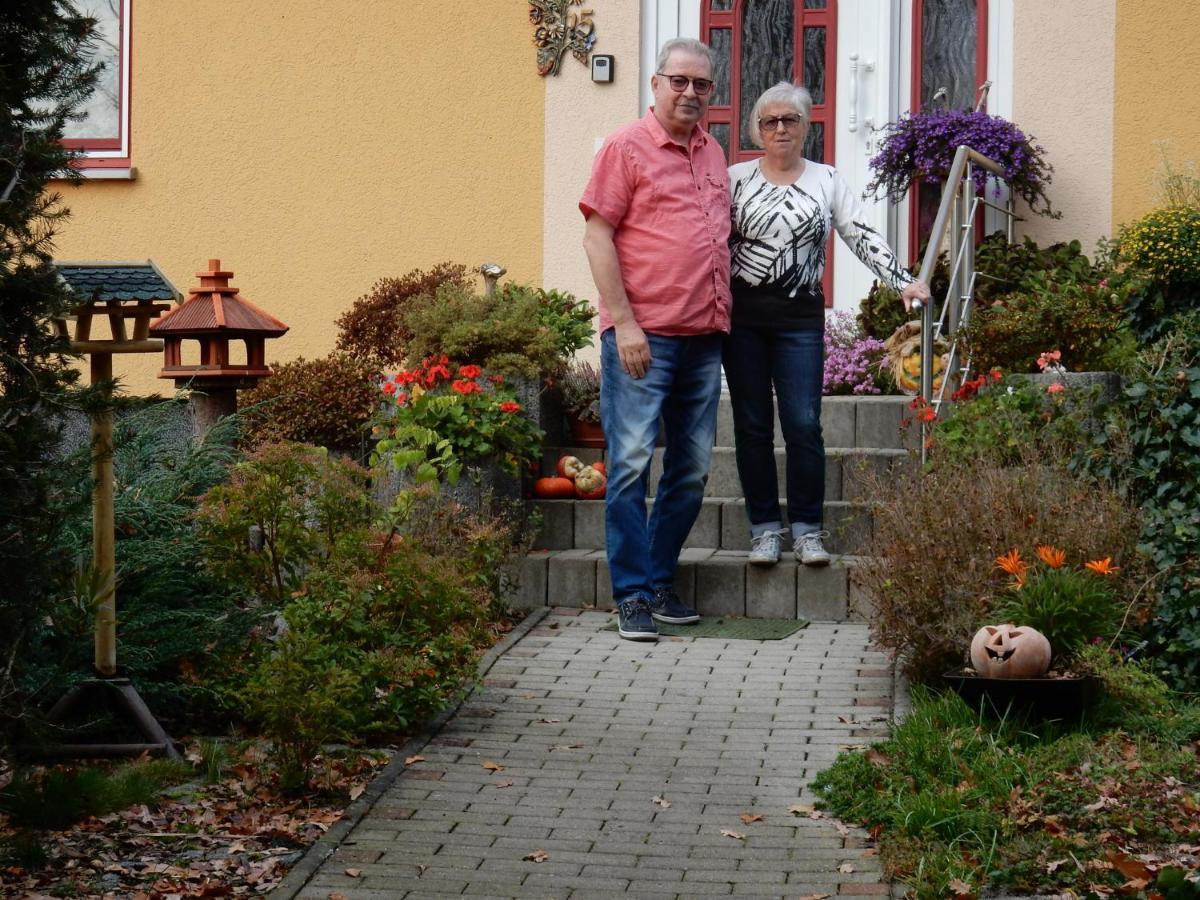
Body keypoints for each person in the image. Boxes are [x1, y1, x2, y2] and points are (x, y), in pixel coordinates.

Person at [724, 81, 929, 568]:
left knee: (803, 424)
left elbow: (858, 232)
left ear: (805, 127)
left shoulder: (827, 179)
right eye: (770, 121)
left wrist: (902, 279)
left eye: (790, 120)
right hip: (742, 319)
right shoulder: (733, 178)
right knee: (751, 426)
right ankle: (764, 531)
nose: (779, 129)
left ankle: (808, 530)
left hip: (799, 319)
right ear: (757, 128)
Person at [579, 38, 730, 641]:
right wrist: (626, 322)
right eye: (680, 82)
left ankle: (660, 577)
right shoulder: (625, 148)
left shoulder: (713, 152)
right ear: (656, 84)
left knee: (691, 470)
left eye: (702, 85)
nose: (691, 93)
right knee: (630, 465)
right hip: (644, 338)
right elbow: (597, 237)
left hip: (703, 337)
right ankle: (633, 594)